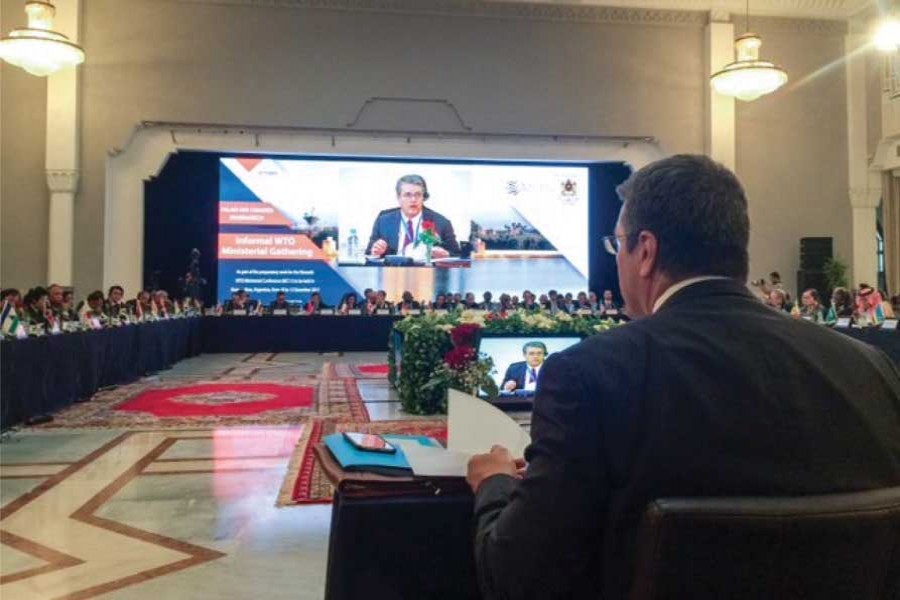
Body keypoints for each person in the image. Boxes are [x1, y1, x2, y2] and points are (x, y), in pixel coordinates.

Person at [465, 154, 900, 600]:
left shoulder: (588, 375)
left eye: (617, 246)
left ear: (646, 252)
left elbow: (517, 579)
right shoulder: (870, 367)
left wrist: (495, 482)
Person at [365, 174, 460, 259]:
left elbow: (456, 254)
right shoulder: (383, 221)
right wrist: (375, 251)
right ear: (398, 197)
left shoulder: (441, 223)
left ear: (424, 197)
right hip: (392, 272)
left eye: (418, 195)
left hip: (426, 273)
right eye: (407, 195)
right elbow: (369, 252)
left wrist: (446, 254)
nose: (413, 200)